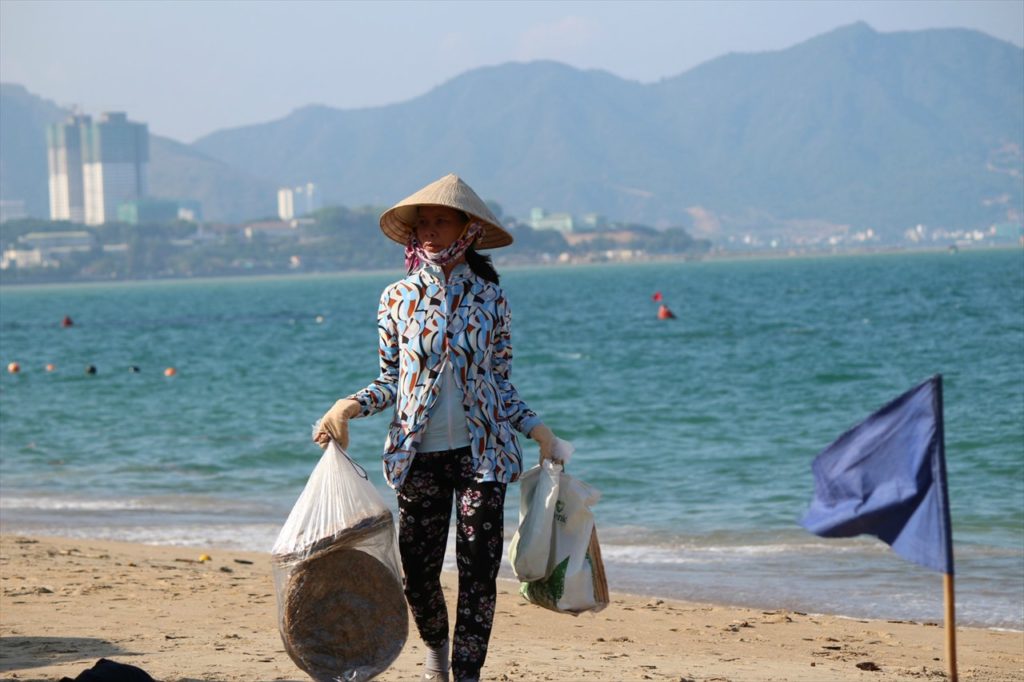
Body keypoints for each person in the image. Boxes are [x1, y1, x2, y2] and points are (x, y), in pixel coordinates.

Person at [314, 174, 563, 682]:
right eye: (422, 222)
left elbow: (499, 381)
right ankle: (436, 647)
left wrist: (538, 430)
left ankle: (467, 672)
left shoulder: (491, 298)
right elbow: (390, 381)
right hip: (417, 455)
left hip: (484, 455)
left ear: (466, 229)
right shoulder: (396, 299)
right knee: (419, 573)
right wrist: (348, 408)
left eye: (440, 220)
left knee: (478, 570)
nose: (428, 230)